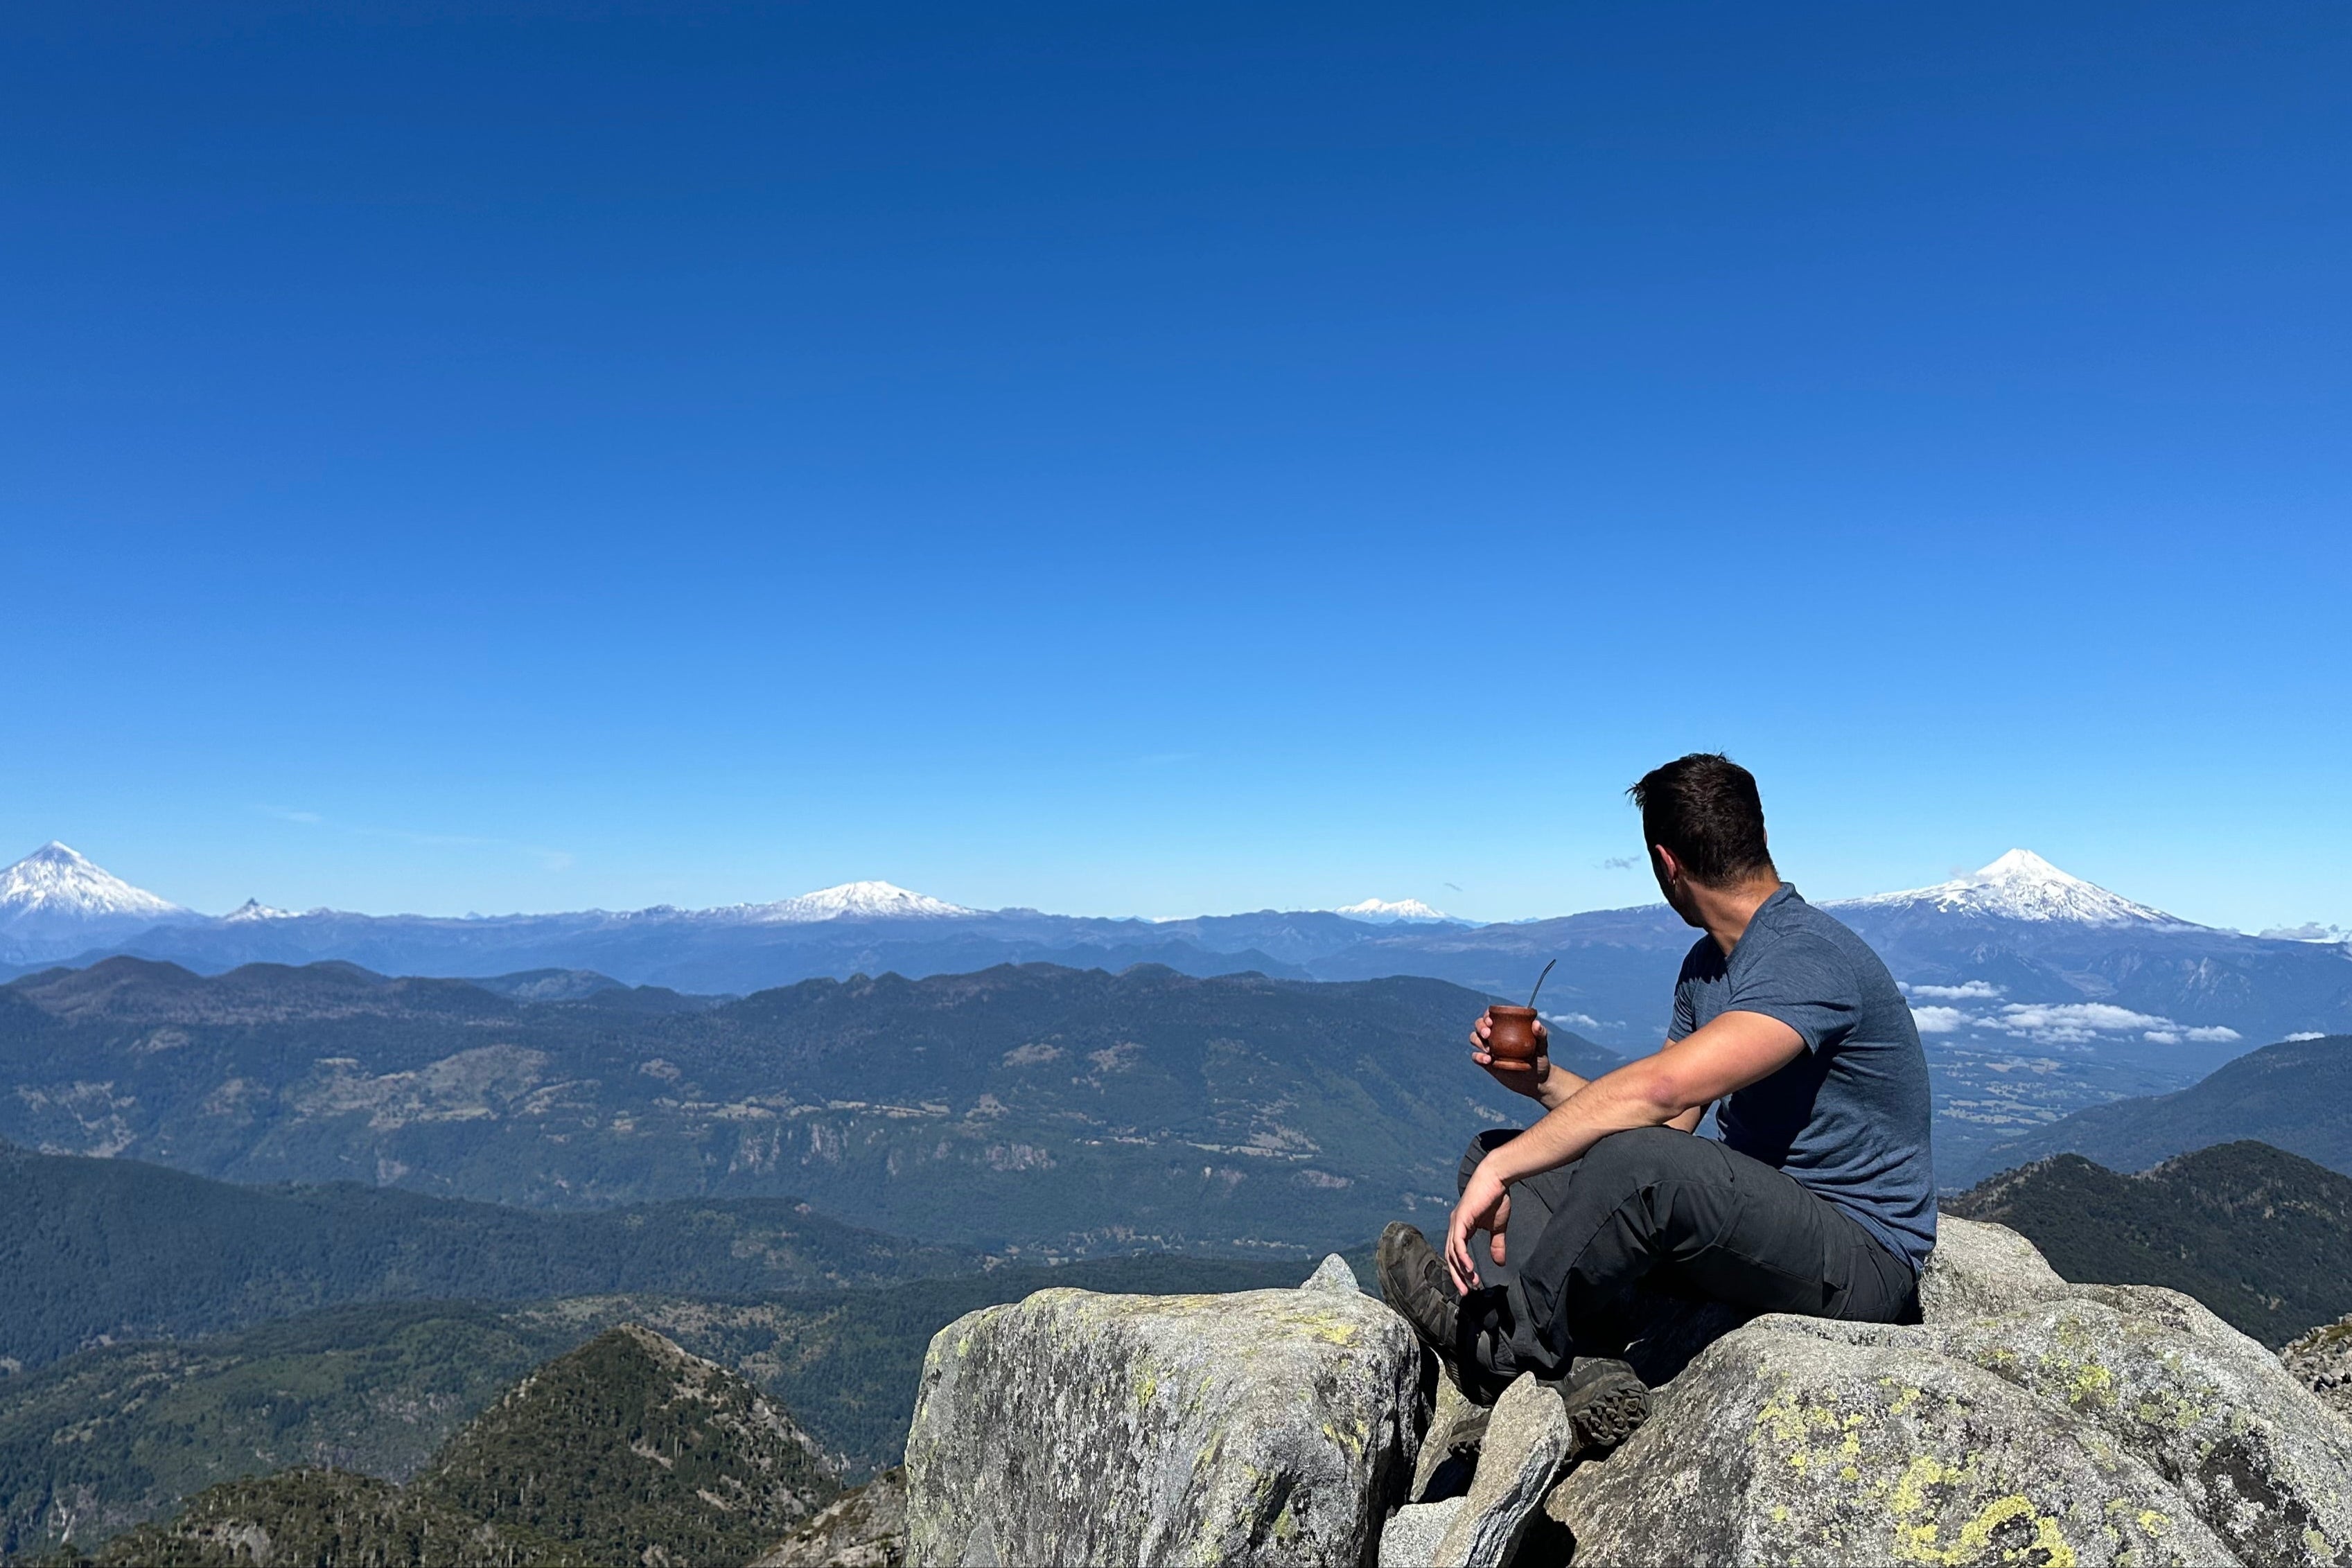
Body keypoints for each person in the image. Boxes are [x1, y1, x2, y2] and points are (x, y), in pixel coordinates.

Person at [1377, 752, 1935, 1453]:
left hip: (1859, 1257)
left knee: (1584, 1163)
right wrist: (1542, 1084)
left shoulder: (1806, 957)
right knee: (1500, 1156)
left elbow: (1662, 1096)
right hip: (1753, 1226)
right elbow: (1665, 1125)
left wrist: (1515, 1161)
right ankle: (1574, 1367)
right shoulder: (1707, 967)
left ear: (1666, 863)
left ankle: (1498, 1353)